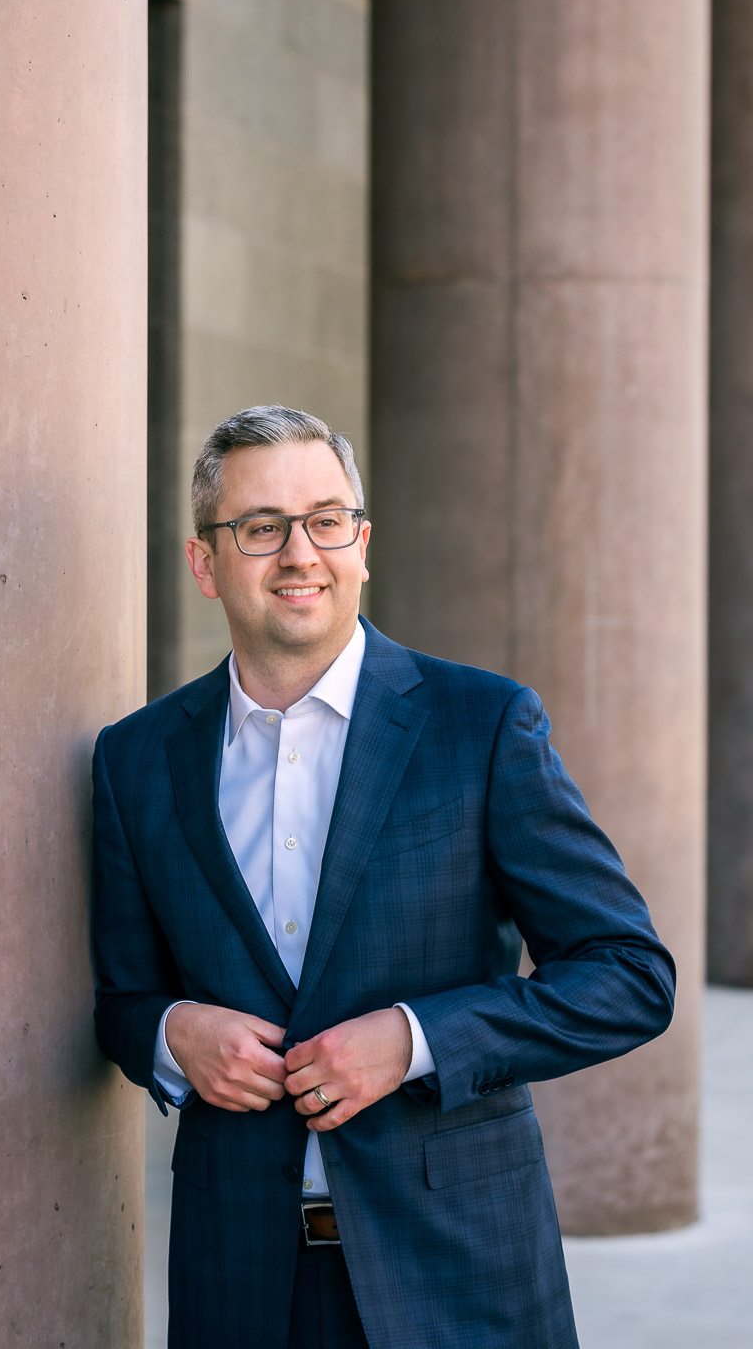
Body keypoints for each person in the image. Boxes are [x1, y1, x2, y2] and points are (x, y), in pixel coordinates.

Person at [91, 405, 674, 1349]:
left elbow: (630, 973)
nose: (298, 553)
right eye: (260, 527)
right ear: (205, 563)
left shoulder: (480, 725)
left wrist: (415, 1040)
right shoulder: (136, 759)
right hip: (237, 1278)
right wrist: (171, 1030)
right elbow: (121, 996)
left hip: (458, 1274)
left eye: (326, 520)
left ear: (362, 545)